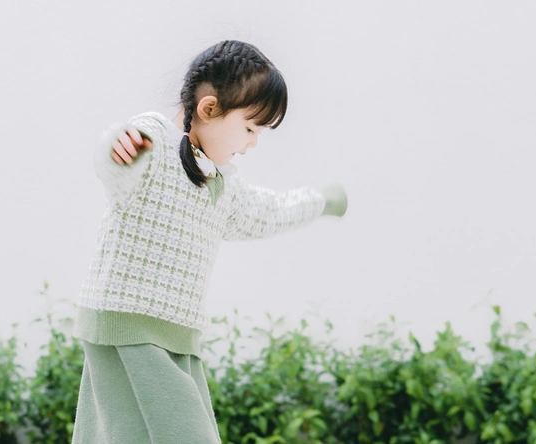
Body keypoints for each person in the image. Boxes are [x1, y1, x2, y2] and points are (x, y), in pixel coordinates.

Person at [71, 39, 348, 444]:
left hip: (176, 336)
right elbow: (117, 166)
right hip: (130, 327)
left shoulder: (222, 188)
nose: (252, 143)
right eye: (250, 128)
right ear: (209, 109)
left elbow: (269, 211)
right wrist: (118, 147)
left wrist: (321, 201)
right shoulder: (156, 141)